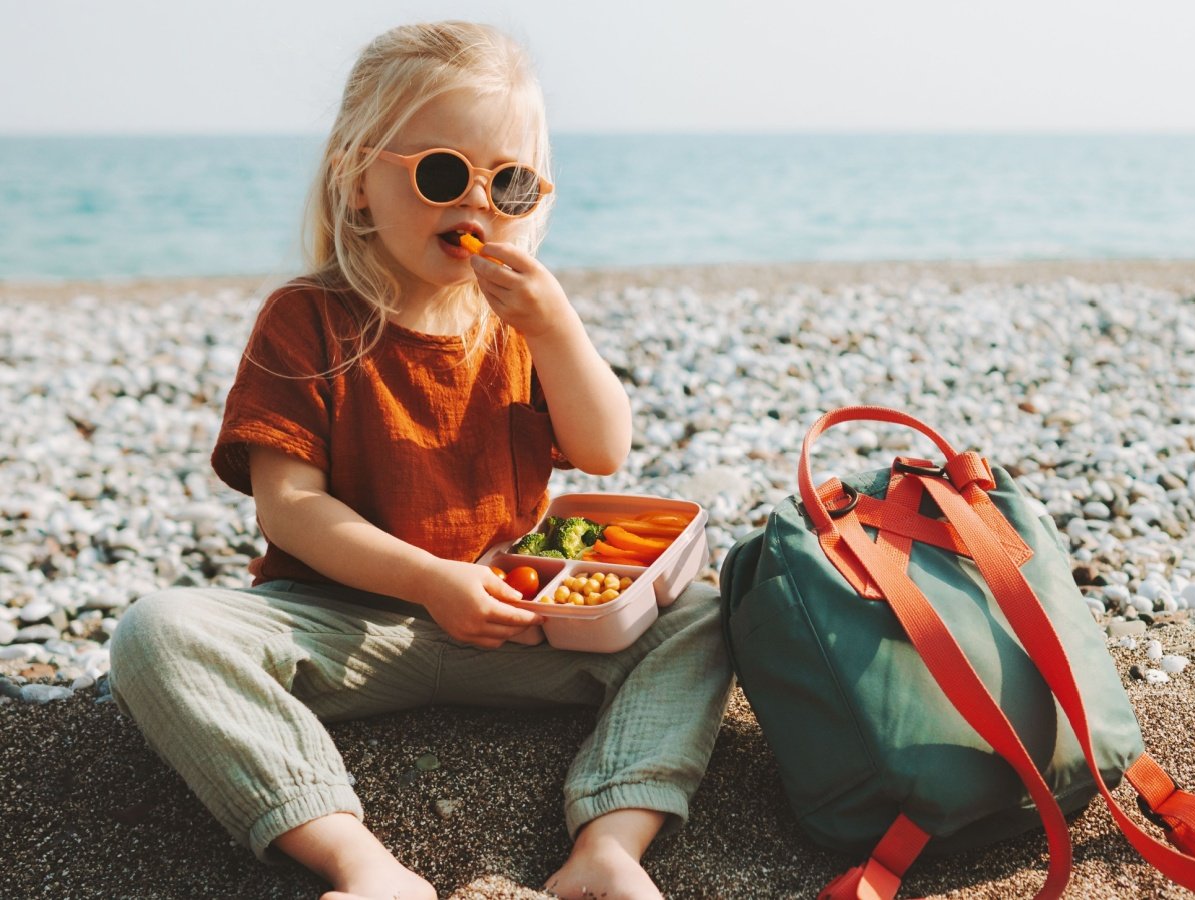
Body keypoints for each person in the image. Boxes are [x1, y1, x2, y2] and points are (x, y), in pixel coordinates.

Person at [107, 21, 732, 900]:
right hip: (337, 627)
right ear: (360, 184)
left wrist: (557, 328)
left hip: (514, 620)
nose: (475, 206)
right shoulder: (308, 318)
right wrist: (431, 581)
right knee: (156, 632)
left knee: (701, 613)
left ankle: (609, 843)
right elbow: (291, 507)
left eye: (508, 183)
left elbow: (603, 448)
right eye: (443, 174)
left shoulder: (519, 324)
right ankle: (359, 864)